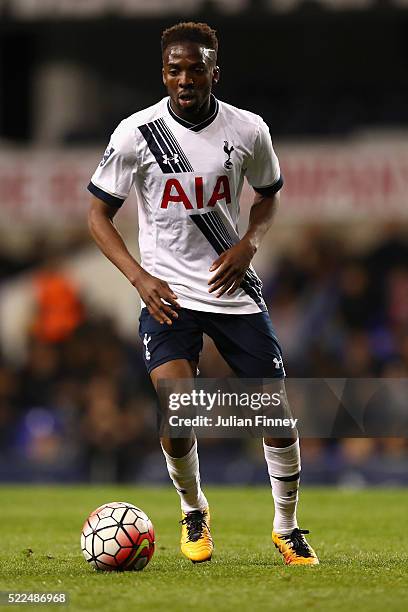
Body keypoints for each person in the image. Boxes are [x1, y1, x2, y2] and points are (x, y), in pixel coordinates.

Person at [87, 21, 318, 566]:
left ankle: (287, 526)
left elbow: (268, 197)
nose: (185, 78)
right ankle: (194, 510)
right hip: (167, 294)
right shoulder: (135, 133)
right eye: (174, 68)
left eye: (196, 68)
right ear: (163, 73)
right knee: (178, 416)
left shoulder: (248, 129)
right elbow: (98, 216)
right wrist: (140, 278)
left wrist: (250, 246)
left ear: (215, 72)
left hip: (232, 288)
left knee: (276, 416)